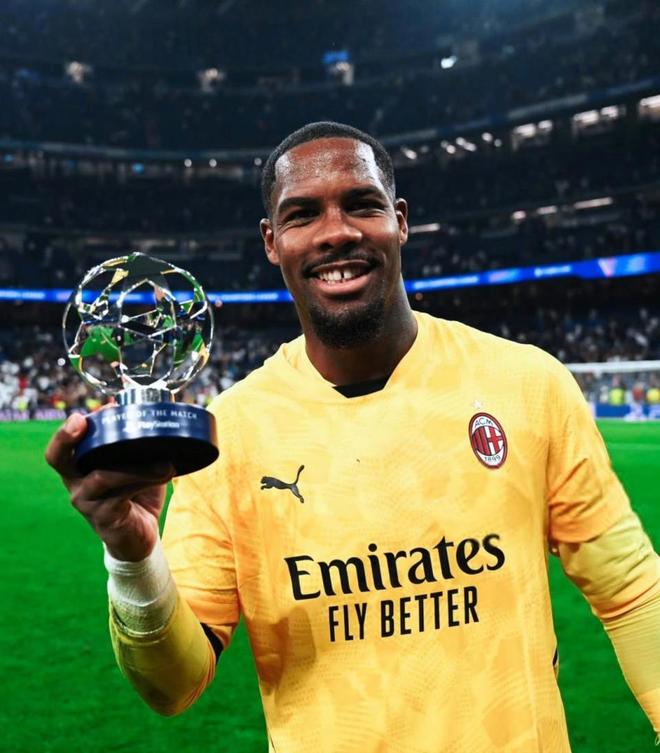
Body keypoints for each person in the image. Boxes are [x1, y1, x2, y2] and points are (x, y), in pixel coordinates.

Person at [46, 122, 659, 753]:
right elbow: (172, 686)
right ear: (272, 241)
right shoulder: (231, 433)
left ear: (400, 221)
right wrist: (132, 556)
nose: (336, 231)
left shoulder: (527, 384)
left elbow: (634, 593)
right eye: (303, 214)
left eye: (362, 204)